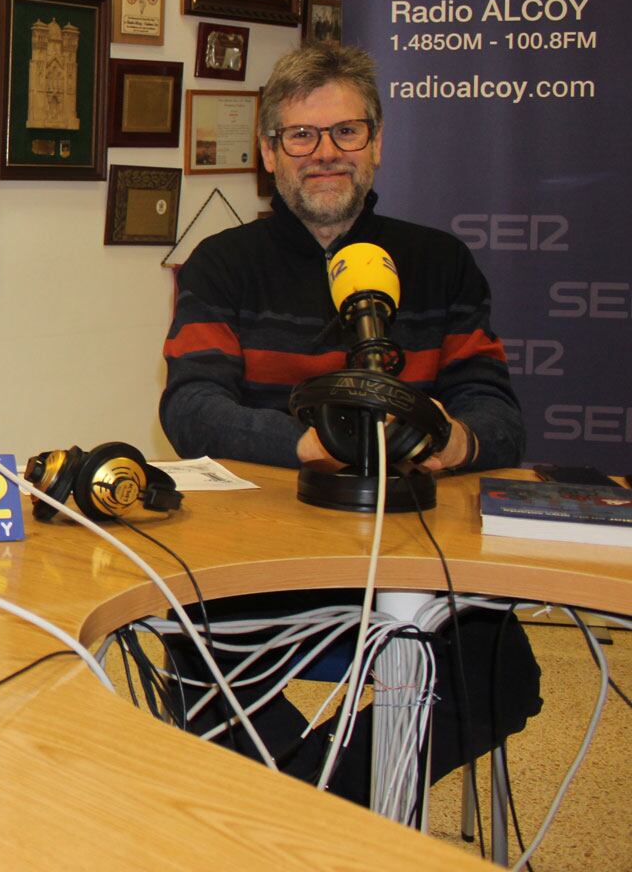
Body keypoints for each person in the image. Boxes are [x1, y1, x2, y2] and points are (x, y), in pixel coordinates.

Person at [159, 42, 539, 802]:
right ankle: (333, 824)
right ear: (269, 153)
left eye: (346, 132)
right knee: (180, 644)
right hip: (262, 559)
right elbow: (191, 410)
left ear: (378, 142)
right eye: (301, 135)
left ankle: (304, 817)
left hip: (414, 560)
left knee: (505, 674)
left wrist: (450, 438)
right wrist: (320, 443)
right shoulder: (221, 265)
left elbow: (497, 413)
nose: (325, 154)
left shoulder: (441, 263)